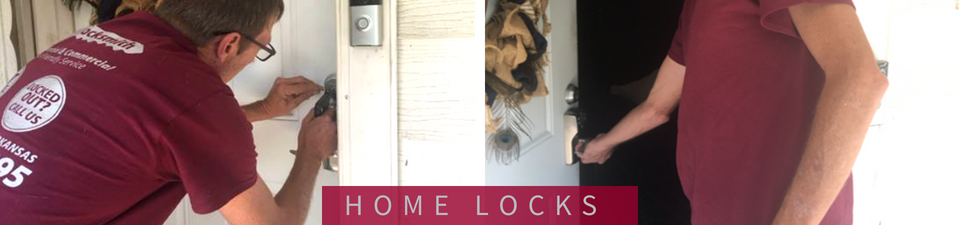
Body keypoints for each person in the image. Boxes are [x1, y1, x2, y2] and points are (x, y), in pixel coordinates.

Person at [0, 0, 335, 224]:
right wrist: (310, 151)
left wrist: (263, 109)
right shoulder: (198, 99)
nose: (252, 58)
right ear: (230, 44)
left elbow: (155, 132)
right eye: (262, 46)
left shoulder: (105, 33)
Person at [577, 0, 889, 224]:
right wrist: (603, 145)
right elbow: (656, 108)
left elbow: (859, 80)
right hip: (713, 210)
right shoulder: (694, 9)